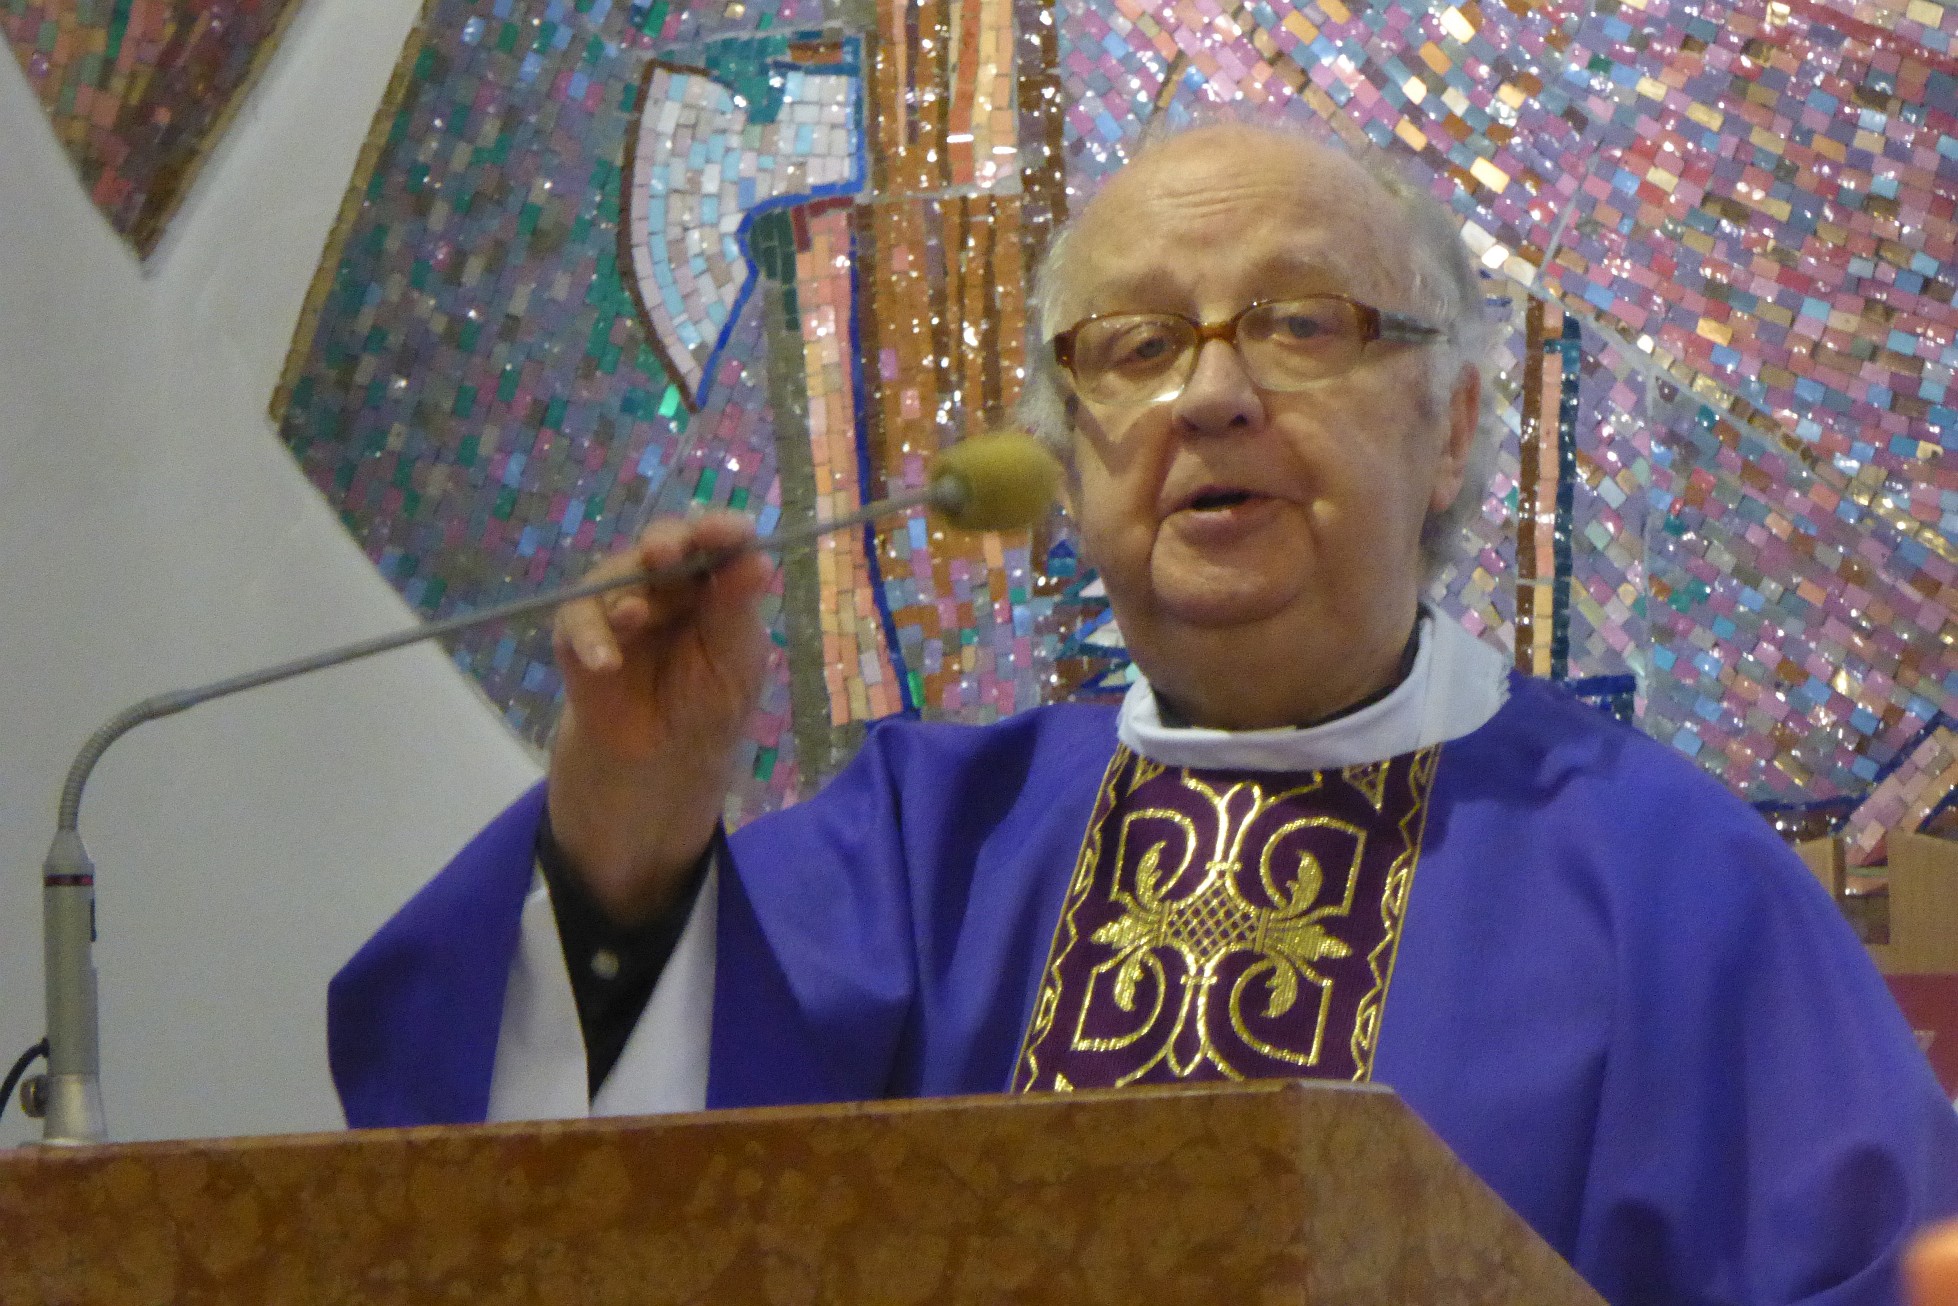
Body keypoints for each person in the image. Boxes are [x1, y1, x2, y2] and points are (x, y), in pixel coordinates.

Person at [328, 121, 1958, 1302]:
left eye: (1300, 323)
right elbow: (557, 1223)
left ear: (1452, 426)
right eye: (1134, 344)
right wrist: (625, 808)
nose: (1211, 393)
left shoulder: (1671, 880)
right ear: (1066, 464)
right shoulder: (923, 848)